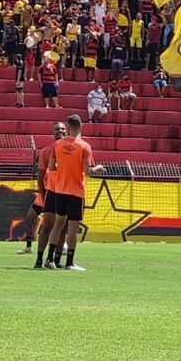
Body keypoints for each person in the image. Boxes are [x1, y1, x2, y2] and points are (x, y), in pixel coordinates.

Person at [41, 115, 106, 271]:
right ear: (81, 125)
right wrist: (98, 168)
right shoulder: (84, 146)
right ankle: (69, 262)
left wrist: (65, 168)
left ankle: (50, 259)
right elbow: (86, 171)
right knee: (72, 227)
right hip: (76, 191)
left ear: (68, 127)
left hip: (60, 190)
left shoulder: (58, 144)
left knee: (58, 225)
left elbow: (52, 168)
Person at [18, 122, 66, 256]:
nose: (60, 131)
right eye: (57, 129)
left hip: (61, 193)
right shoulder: (46, 151)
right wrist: (43, 194)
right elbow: (40, 177)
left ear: (67, 131)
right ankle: (29, 246)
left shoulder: (70, 151)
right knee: (30, 219)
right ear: (53, 132)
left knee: (57, 224)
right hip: (46, 194)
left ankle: (58, 250)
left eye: (63, 129)